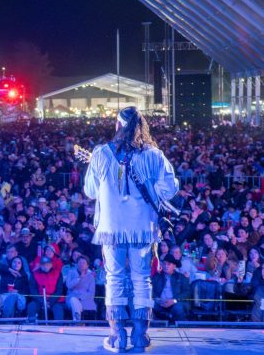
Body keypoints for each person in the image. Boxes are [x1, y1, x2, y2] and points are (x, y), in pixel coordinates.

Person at [84, 107, 178, 353]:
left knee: (114, 278)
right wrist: (149, 190)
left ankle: (117, 336)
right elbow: (170, 188)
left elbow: (90, 191)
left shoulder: (101, 154)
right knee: (141, 279)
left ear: (117, 126)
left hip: (112, 228)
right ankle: (139, 335)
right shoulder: (154, 155)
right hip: (142, 229)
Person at [152, 254, 190, 325]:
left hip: (175, 303)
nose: (166, 266)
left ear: (174, 266)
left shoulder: (181, 277)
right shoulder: (157, 277)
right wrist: (157, 299)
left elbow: (187, 293)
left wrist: (174, 300)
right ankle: (156, 327)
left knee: (178, 308)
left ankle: (177, 326)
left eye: (169, 264)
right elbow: (151, 290)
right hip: (160, 303)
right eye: (164, 264)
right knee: (149, 305)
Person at [65, 255, 96, 321]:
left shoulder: (91, 276)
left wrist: (81, 298)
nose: (81, 265)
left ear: (87, 265)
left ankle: (76, 321)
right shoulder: (70, 272)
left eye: (83, 263)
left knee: (78, 304)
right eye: (79, 263)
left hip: (85, 300)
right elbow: (68, 286)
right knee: (73, 300)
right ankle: (78, 320)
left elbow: (91, 293)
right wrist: (79, 278)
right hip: (72, 299)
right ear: (76, 264)